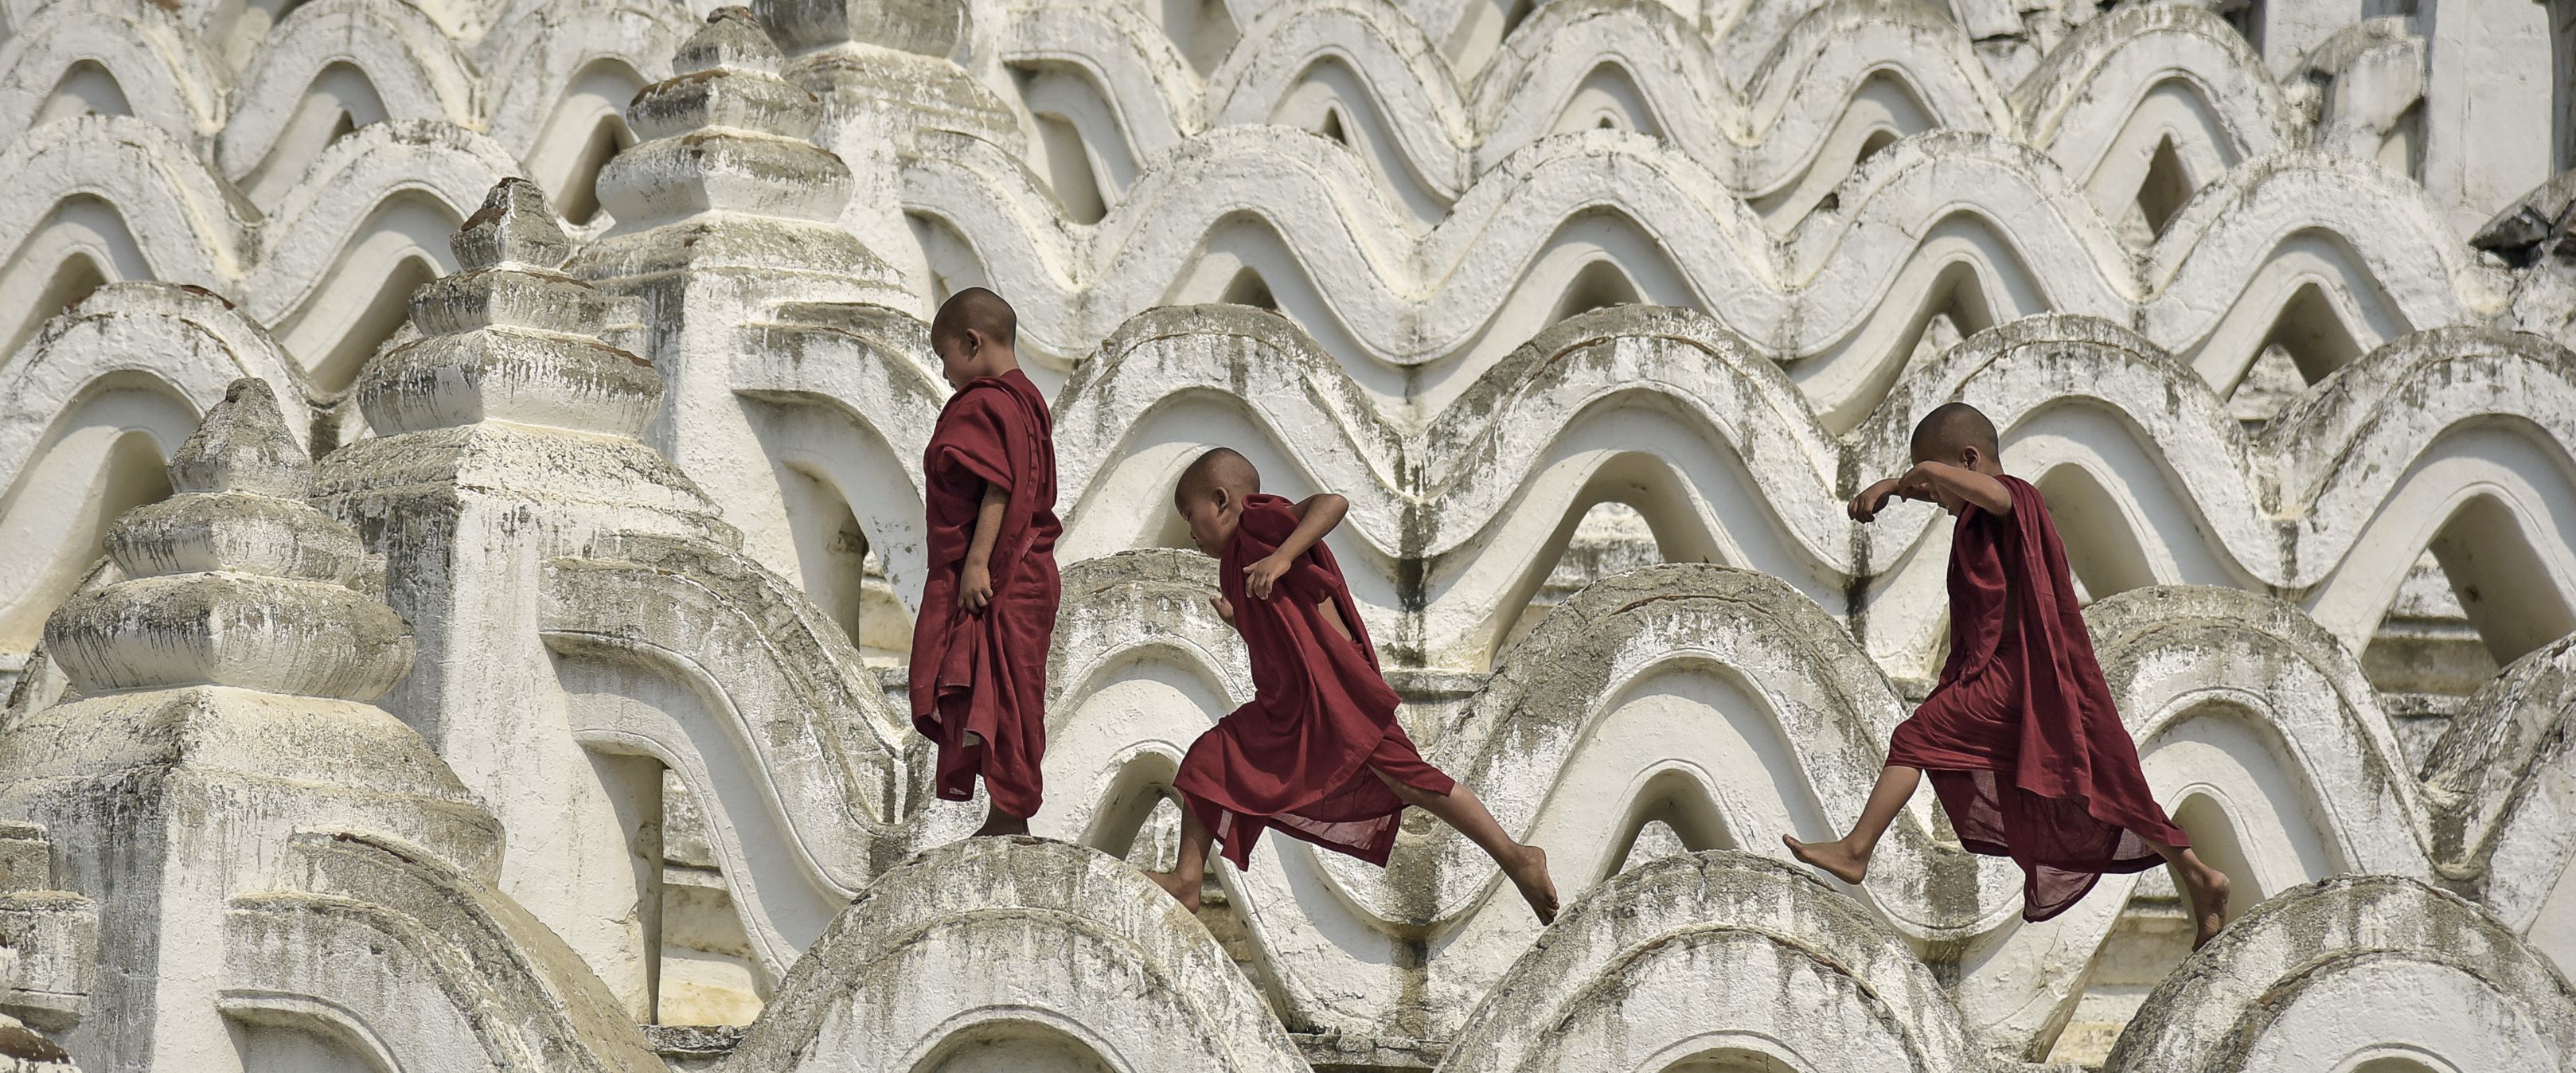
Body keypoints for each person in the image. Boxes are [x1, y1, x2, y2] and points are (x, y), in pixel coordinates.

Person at [1783, 403, 2234, 947]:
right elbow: (1956, 492)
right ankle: (2201, 876)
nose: (1942, 502)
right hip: (2030, 683)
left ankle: (1857, 850)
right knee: (2108, 784)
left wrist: (1918, 475)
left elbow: (1988, 493)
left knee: (1915, 737)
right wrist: (1898, 487)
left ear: (1969, 460)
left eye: (1943, 481)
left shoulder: (2016, 495)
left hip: (2019, 676)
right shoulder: (1976, 511)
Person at [1142, 448, 1559, 923]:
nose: (1189, 531)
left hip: (1339, 691)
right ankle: (1187, 881)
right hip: (1293, 704)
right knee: (1207, 762)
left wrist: (1282, 556)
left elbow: (1332, 503)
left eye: (1189, 515)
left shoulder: (1259, 522)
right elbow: (1282, 630)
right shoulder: (1233, 566)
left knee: (1412, 780)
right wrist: (1242, 619)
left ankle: (1516, 856)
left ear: (1222, 501)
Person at [910, 288, 1060, 837]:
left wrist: (977, 564)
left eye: (944, 356)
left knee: (1008, 694)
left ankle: (1009, 814)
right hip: (1027, 573)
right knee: (1008, 692)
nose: (944, 372)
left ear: (972, 343)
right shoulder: (1026, 400)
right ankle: (1006, 813)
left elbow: (1000, 484)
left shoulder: (988, 402)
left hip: (1001, 575)